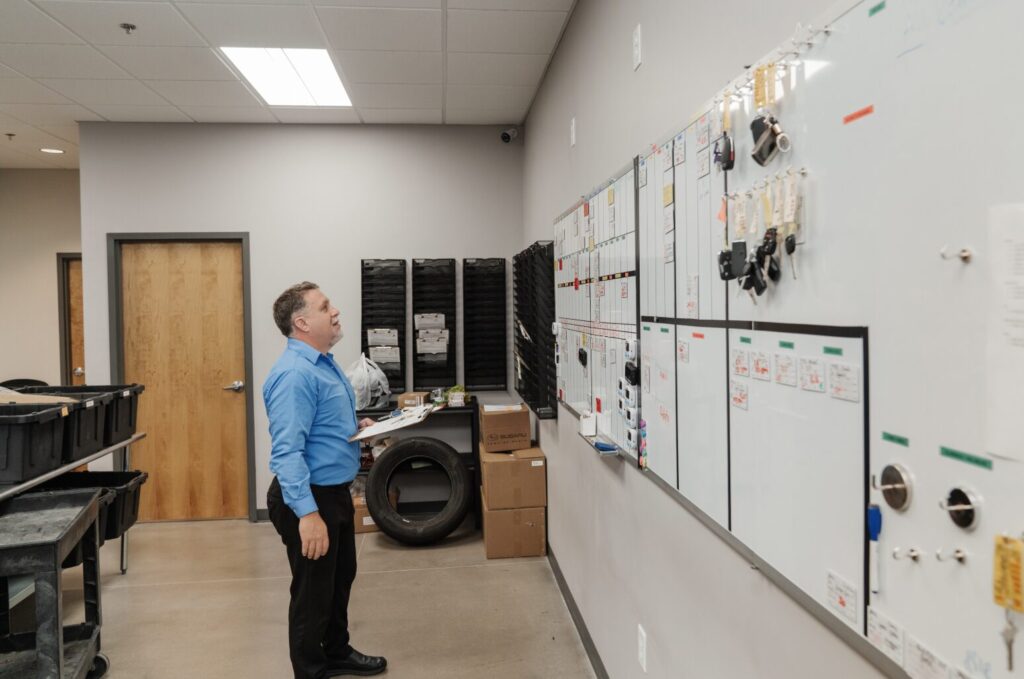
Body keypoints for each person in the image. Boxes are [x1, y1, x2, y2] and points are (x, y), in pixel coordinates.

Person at [263, 281, 387, 679]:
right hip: (308, 498)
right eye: (324, 306)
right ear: (302, 322)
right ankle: (310, 671)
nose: (335, 311)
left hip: (332, 493)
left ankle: (336, 651)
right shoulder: (295, 375)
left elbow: (319, 427)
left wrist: (357, 428)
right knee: (312, 594)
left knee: (338, 581)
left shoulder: (323, 361)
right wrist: (308, 515)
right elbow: (287, 452)